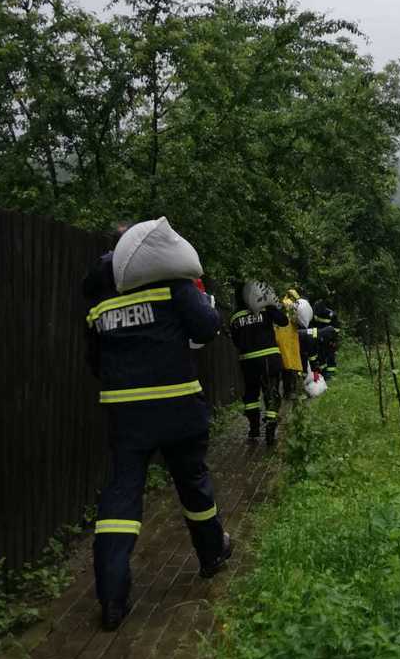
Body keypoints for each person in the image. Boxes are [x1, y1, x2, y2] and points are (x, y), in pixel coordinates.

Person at [83, 218, 231, 631]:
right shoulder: (173, 284)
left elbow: (93, 361)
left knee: (121, 496)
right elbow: (207, 327)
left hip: (125, 414)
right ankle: (211, 555)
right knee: (192, 483)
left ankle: (112, 598)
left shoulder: (99, 299)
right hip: (177, 406)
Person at [229, 282, 288, 445]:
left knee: (251, 396)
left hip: (248, 362)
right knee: (272, 393)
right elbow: (284, 322)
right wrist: (271, 304)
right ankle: (270, 427)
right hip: (269, 359)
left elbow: (235, 341)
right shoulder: (265, 309)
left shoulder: (234, 316)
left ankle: (254, 428)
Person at [312, 298, 340, 379]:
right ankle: (323, 372)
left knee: (330, 354)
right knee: (321, 354)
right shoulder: (316, 313)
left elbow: (336, 329)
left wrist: (333, 340)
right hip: (320, 337)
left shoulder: (331, 314)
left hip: (329, 338)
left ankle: (331, 372)